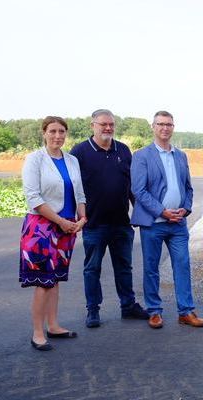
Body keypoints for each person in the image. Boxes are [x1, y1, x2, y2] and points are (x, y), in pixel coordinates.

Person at [71, 109, 148, 328]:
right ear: (92, 125)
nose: (108, 128)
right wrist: (77, 215)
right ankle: (93, 310)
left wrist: (139, 215)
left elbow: (132, 186)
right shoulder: (80, 152)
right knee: (92, 268)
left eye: (111, 124)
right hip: (94, 223)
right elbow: (73, 187)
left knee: (124, 267)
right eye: (103, 124)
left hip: (121, 223)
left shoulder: (123, 150)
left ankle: (128, 306)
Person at [130, 111, 203, 329]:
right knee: (152, 268)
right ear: (153, 127)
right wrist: (162, 211)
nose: (165, 128)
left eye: (169, 124)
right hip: (154, 224)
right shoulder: (142, 156)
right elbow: (139, 190)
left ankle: (186, 311)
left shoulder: (180, 156)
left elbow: (188, 188)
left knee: (182, 265)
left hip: (178, 225)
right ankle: (154, 311)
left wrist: (187, 208)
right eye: (161, 124)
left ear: (173, 127)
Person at [20, 116, 87, 351]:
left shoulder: (72, 160)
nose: (57, 136)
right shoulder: (34, 159)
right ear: (44, 133)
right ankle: (38, 332)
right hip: (42, 227)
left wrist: (82, 217)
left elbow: (79, 193)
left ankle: (54, 325)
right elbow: (33, 197)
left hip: (68, 226)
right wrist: (60, 221)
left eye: (61, 131)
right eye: (53, 131)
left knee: (56, 278)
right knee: (43, 281)